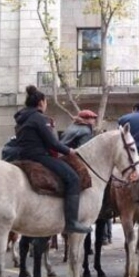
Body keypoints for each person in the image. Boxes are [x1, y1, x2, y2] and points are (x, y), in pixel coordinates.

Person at [14, 85, 90, 234]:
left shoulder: (21, 118)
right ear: (41, 102)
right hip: (39, 156)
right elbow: (52, 143)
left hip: (23, 155)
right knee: (73, 178)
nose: (46, 104)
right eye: (46, 101)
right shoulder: (39, 118)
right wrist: (69, 151)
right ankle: (71, 222)